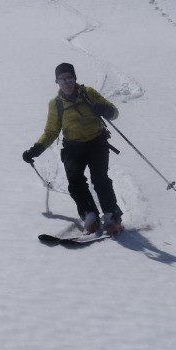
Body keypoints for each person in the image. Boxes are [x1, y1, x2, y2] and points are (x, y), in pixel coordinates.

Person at [23, 63, 124, 235]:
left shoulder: (89, 93)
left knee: (100, 179)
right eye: (62, 80)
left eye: (69, 78)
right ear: (57, 82)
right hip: (72, 147)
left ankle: (112, 217)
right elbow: (51, 131)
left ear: (75, 78)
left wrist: (104, 109)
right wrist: (35, 150)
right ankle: (90, 217)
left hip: (97, 143)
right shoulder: (55, 104)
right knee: (75, 181)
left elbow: (114, 112)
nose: (67, 83)